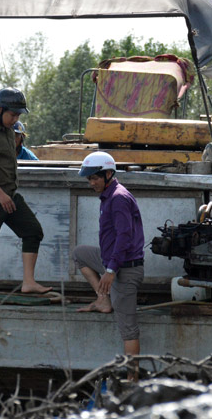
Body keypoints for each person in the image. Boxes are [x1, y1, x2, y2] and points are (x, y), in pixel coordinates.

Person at [0, 87, 51, 305]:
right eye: (13, 114)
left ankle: (29, 282)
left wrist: (7, 195)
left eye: (18, 115)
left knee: (33, 231)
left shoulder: (8, 131)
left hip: (9, 195)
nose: (16, 119)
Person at [71, 151, 145, 371]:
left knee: (128, 329)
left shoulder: (118, 198)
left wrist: (111, 270)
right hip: (111, 260)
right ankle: (103, 300)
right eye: (89, 179)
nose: (91, 183)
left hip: (125, 268)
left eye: (94, 178)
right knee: (80, 253)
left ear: (109, 174)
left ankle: (132, 381)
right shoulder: (108, 196)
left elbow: (125, 236)